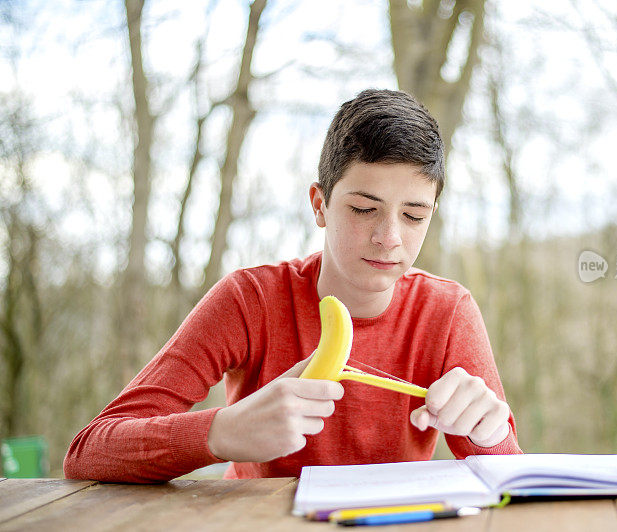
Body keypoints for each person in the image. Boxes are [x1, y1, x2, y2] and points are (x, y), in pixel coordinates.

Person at [63, 89, 522, 483]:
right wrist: (220, 433)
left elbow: (510, 478)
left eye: (414, 215)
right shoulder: (249, 300)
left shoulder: (447, 311)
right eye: (364, 209)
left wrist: (489, 434)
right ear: (319, 205)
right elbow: (89, 452)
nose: (390, 238)